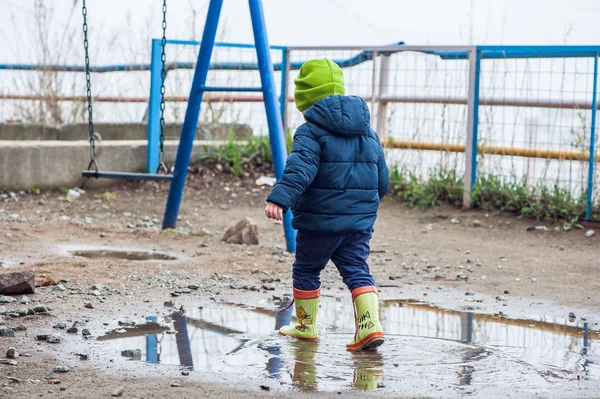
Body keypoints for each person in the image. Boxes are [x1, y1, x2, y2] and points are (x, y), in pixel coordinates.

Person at [265, 58, 389, 351]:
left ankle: (305, 327)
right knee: (357, 268)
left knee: (307, 269)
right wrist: (360, 207)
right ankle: (370, 327)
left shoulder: (310, 132)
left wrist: (279, 198)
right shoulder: (367, 132)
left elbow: (301, 169)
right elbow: (381, 180)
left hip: (320, 223)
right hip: (359, 223)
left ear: (305, 100)